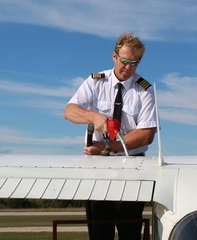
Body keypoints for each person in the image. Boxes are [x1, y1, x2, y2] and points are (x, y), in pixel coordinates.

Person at [64, 32, 157, 240]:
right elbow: (69, 111)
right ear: (114, 56)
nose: (128, 68)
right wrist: (93, 116)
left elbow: (147, 134)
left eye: (134, 63)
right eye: (124, 61)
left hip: (134, 166)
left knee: (130, 230)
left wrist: (107, 148)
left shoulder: (145, 89)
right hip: (98, 168)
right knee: (99, 230)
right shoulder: (95, 81)